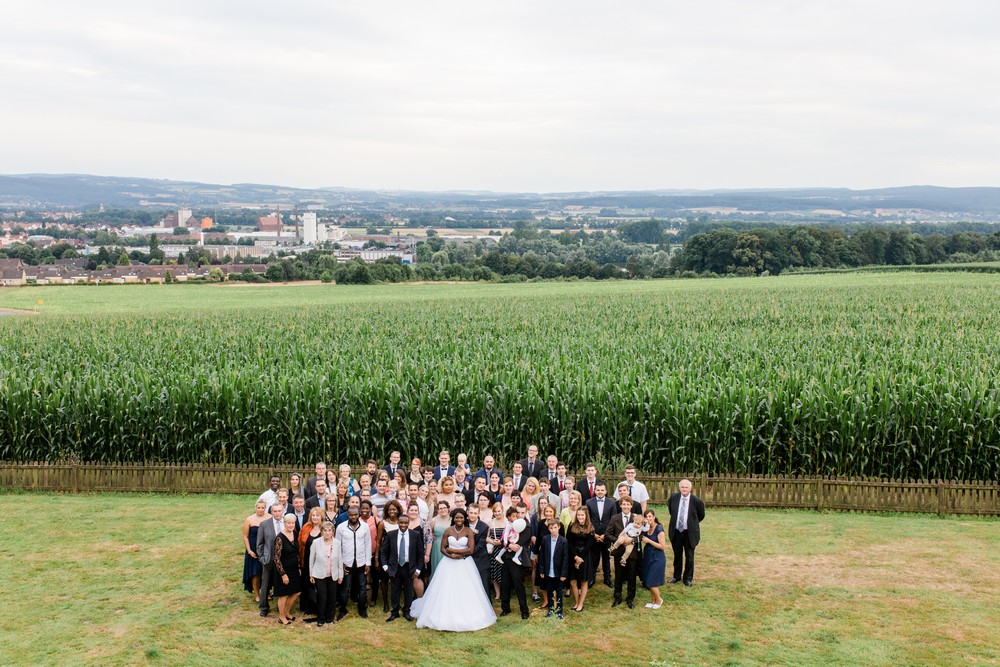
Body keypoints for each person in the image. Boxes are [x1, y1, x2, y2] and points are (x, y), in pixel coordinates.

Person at [411, 508, 497, 631]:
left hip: (464, 563)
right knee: (446, 587)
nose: (459, 519)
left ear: (464, 518)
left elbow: (470, 549)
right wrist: (451, 556)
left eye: (461, 517)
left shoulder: (468, 531)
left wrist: (454, 551)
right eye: (457, 517)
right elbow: (442, 548)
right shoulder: (448, 530)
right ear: (453, 519)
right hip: (448, 563)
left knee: (466, 588)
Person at [381, 514, 424, 622]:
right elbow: (383, 551)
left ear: (408, 523)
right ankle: (395, 612)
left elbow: (420, 553)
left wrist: (418, 569)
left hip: (409, 567)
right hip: (395, 567)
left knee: (408, 590)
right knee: (395, 590)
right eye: (401, 523)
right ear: (398, 523)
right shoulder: (391, 534)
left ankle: (406, 611)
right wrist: (385, 566)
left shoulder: (415, 535)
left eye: (405, 523)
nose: (403, 525)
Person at [667, 478, 705, 586]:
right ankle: (676, 576)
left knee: (689, 556)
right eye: (682, 487)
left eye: (686, 487)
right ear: (679, 487)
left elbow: (700, 516)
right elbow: (671, 511)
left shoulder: (697, 501)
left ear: (690, 488)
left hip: (689, 533)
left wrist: (691, 523)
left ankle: (688, 578)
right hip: (676, 531)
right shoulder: (673, 498)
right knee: (677, 555)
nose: (684, 489)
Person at [606, 496, 642, 609]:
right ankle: (617, 597)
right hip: (619, 551)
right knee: (619, 575)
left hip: (632, 552)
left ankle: (630, 598)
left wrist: (631, 540)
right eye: (624, 504)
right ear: (620, 505)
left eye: (628, 504)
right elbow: (608, 534)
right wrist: (619, 540)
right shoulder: (615, 518)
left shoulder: (636, 518)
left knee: (632, 575)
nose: (626, 506)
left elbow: (642, 535)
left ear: (631, 505)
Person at [336, 507, 371, 620]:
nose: (353, 517)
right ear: (348, 515)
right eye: (351, 515)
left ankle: (362, 608)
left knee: (362, 588)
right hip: (347, 563)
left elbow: (368, 544)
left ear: (359, 514)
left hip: (361, 563)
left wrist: (368, 563)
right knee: (345, 588)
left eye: (355, 515)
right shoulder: (341, 527)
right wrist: (341, 564)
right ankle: (342, 609)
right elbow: (338, 546)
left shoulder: (365, 527)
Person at [499, 506, 531, 620]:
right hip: (506, 557)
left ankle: (524, 610)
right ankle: (505, 608)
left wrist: (511, 545)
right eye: (518, 512)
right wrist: (508, 545)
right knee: (505, 583)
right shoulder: (510, 524)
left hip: (518, 559)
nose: (519, 515)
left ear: (526, 513)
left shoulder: (527, 527)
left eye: (522, 513)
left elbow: (521, 542)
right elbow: (503, 538)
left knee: (518, 585)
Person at [309, 521, 342, 627]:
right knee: (322, 597)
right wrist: (311, 574)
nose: (327, 533)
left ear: (333, 532)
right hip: (319, 574)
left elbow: (340, 559)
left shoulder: (337, 543)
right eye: (325, 530)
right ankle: (321, 618)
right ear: (321, 532)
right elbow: (311, 559)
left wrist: (340, 575)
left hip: (333, 574)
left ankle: (330, 618)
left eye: (329, 530)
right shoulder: (316, 542)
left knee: (332, 597)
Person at [255, 502, 285, 617]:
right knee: (266, 584)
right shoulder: (264, 524)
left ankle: (283, 607)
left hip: (283, 560)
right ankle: (263, 607)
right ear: (271, 512)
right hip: (269, 559)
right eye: (275, 511)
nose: (277, 513)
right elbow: (259, 544)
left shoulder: (287, 523)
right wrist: (262, 558)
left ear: (283, 511)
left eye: (279, 511)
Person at [536, 519, 569, 619]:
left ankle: (559, 611)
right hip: (548, 570)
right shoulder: (545, 539)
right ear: (548, 529)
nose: (553, 530)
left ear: (559, 527)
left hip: (558, 571)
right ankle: (550, 609)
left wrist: (564, 573)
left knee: (559, 591)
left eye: (555, 527)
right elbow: (542, 555)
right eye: (551, 528)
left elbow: (566, 558)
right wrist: (541, 569)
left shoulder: (563, 541)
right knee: (549, 590)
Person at [373, 499, 402, 613]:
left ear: (398, 510)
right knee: (384, 580)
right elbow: (378, 542)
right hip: (385, 555)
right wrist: (376, 559)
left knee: (397, 580)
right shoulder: (382, 523)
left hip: (398, 555)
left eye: (394, 509)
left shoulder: (402, 522)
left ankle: (396, 602)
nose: (392, 511)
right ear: (386, 511)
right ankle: (386, 603)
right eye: (390, 510)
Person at [273, 514, 302, 625]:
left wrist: (298, 567)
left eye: (292, 523)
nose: (291, 525)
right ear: (284, 523)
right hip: (283, 570)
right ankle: (281, 617)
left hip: (294, 568)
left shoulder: (295, 533)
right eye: (288, 523)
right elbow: (276, 558)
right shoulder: (279, 538)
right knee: (284, 594)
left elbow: (297, 553)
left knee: (297, 591)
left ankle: (287, 612)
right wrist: (283, 574)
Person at [586, 482, 616, 588]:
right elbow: (588, 520)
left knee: (606, 558)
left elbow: (613, 520)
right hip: (593, 535)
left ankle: (607, 578)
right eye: (598, 490)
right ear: (595, 491)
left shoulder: (611, 503)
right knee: (594, 558)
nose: (600, 492)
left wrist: (605, 535)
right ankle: (592, 578)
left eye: (602, 490)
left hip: (606, 536)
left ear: (606, 491)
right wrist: (593, 534)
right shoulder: (589, 502)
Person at [566, 507, 595, 612]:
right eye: (578, 515)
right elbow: (569, 542)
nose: (580, 517)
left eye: (582, 515)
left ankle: (581, 604)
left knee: (583, 581)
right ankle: (576, 602)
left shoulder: (591, 527)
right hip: (573, 555)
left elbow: (589, 545)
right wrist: (575, 557)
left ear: (586, 516)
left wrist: (580, 558)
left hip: (585, 556)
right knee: (573, 581)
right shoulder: (572, 526)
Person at [298, 507, 325, 619]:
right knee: (306, 583)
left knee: (318, 585)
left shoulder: (325, 528)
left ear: (321, 517)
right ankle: (306, 607)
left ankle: (318, 607)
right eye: (313, 515)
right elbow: (300, 543)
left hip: (320, 562)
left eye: (317, 515)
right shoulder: (306, 527)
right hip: (306, 560)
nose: (315, 517)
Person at [242, 500, 268, 603]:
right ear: (255, 508)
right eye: (259, 507)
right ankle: (257, 594)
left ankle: (266, 592)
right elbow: (245, 536)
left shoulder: (270, 517)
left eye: (263, 508)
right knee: (256, 572)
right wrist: (249, 551)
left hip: (265, 548)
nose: (260, 510)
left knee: (266, 572)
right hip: (253, 549)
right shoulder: (249, 519)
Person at [642, 509, 668, 608]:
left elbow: (663, 546)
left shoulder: (659, 529)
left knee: (651, 581)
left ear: (653, 517)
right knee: (647, 579)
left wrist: (649, 541)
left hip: (657, 557)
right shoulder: (646, 528)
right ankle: (653, 601)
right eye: (646, 517)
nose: (648, 519)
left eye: (650, 516)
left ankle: (659, 600)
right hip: (648, 556)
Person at [467, 504, 491, 596]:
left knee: (484, 585)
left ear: (478, 514)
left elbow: (480, 544)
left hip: (481, 559)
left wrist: (466, 552)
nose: (472, 515)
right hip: (466, 560)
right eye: (471, 513)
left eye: (475, 513)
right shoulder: (464, 524)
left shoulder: (484, 527)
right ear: (467, 512)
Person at [405, 502, 429, 597]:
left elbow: (429, 540)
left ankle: (419, 599)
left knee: (417, 577)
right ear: (407, 511)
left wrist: (427, 555)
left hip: (419, 554)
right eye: (412, 510)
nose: (414, 512)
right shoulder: (404, 522)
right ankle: (409, 598)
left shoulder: (424, 523)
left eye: (416, 510)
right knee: (407, 576)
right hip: (406, 554)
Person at [426, 500, 451, 579]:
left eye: (444, 508)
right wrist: (433, 535)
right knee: (437, 567)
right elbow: (429, 534)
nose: (443, 510)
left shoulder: (452, 520)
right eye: (440, 508)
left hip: (449, 546)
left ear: (448, 508)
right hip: (437, 547)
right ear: (438, 510)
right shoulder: (433, 520)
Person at [486, 503, 506, 600]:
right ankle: (497, 593)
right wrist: (493, 542)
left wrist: (501, 542)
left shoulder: (507, 522)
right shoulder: (490, 522)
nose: (497, 513)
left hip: (505, 549)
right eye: (495, 511)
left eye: (499, 511)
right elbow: (486, 537)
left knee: (504, 571)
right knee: (495, 572)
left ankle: (505, 591)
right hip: (494, 550)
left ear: (502, 510)